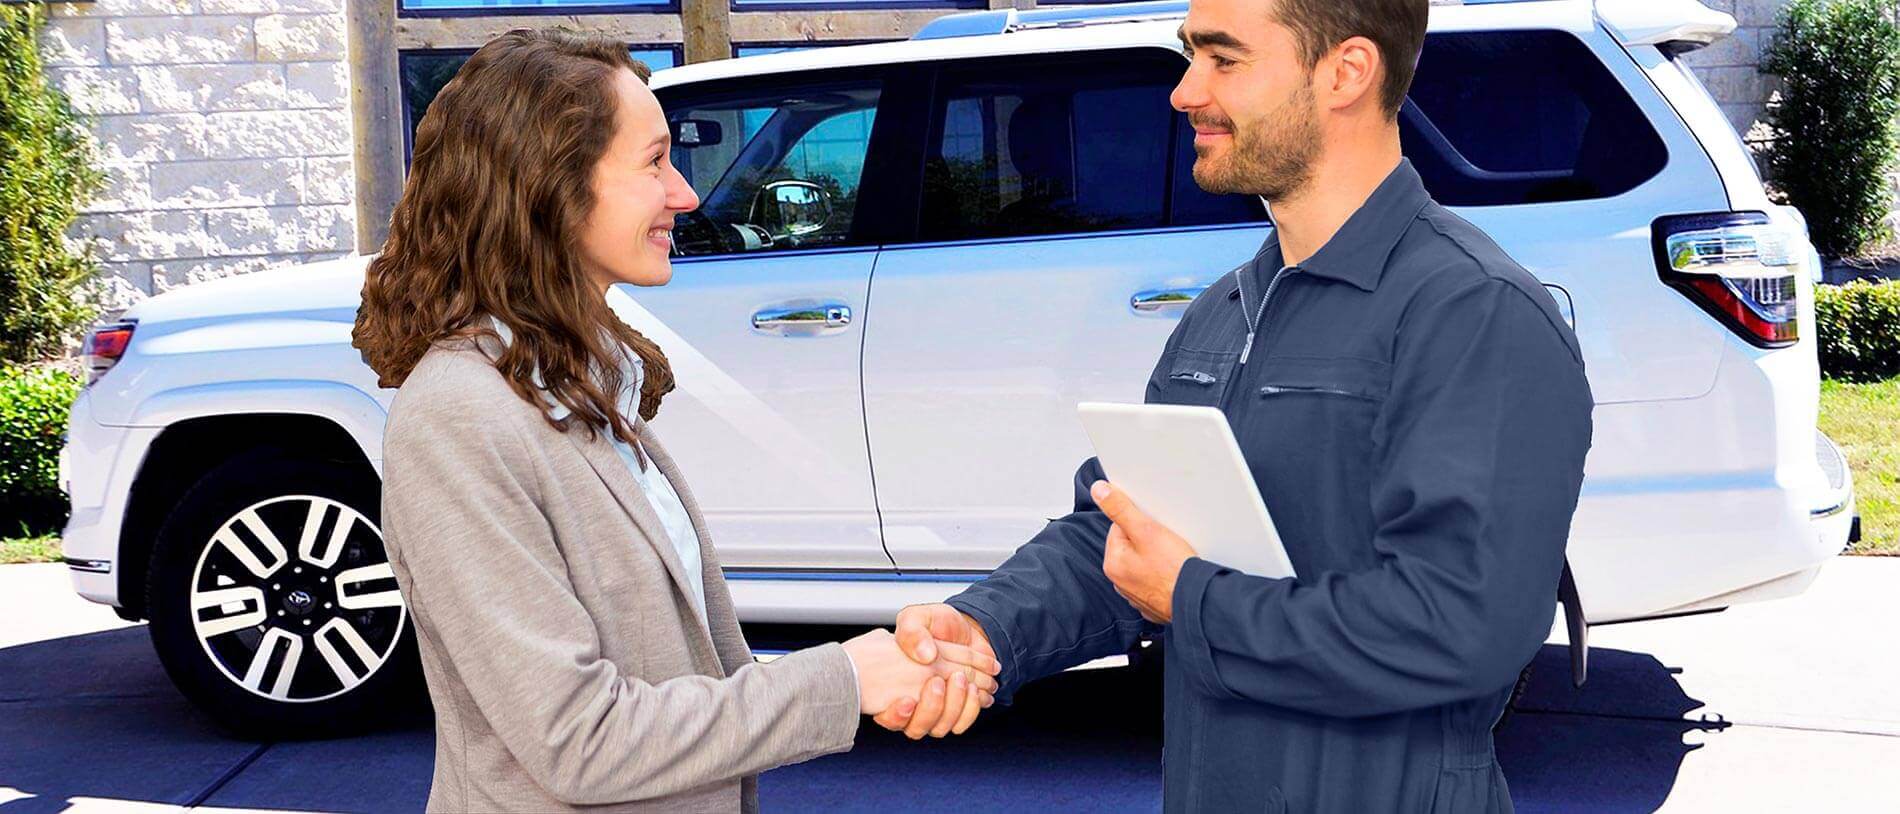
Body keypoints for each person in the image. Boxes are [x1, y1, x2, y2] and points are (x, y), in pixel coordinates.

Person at [876, 0, 1595, 810]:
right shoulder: (1228, 309)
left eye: (1223, 60)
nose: (1185, 93)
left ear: (1345, 73)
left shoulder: (1474, 312)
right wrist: (984, 626)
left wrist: (1193, 598)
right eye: (1193, 58)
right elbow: (1125, 532)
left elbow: (1460, 628)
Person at [353, 30, 997, 813]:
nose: (686, 194)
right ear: (549, 185)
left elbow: (683, 674)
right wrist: (847, 677)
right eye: (654, 162)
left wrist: (884, 670)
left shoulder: (586, 388)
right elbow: (577, 741)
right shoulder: (460, 418)